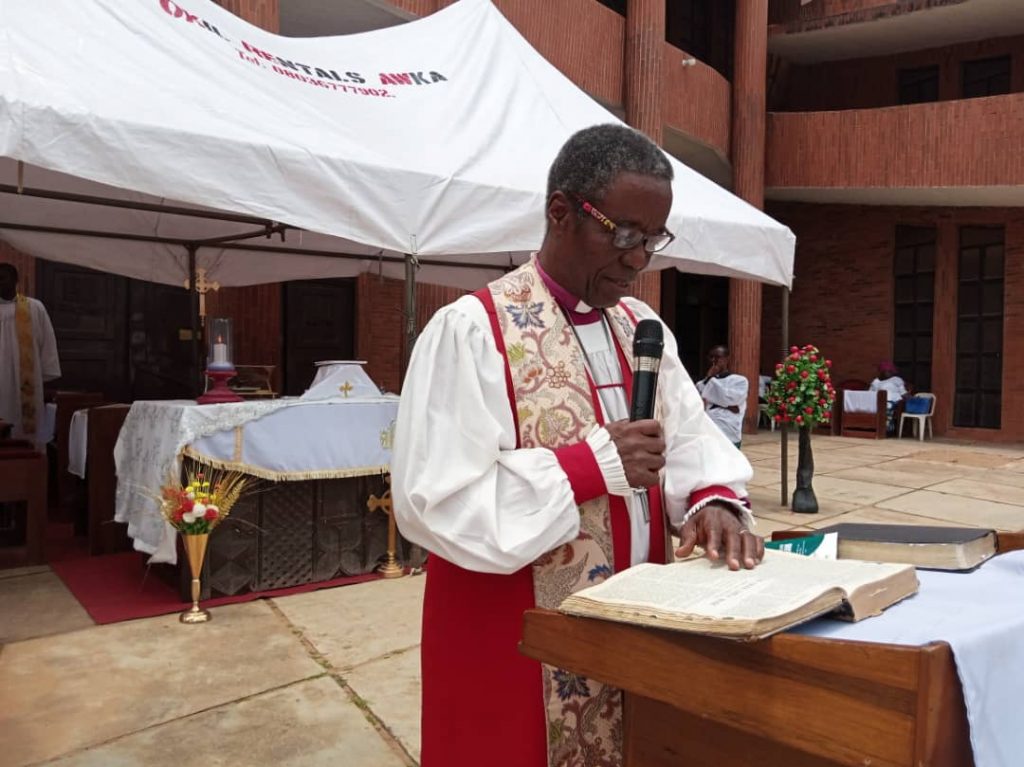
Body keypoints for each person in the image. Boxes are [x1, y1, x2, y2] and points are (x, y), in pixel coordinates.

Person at [391, 124, 764, 767]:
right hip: (510, 641)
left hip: (634, 624)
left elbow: (690, 436)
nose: (638, 259)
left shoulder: (642, 327)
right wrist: (588, 467)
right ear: (560, 212)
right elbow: (434, 501)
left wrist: (714, 500)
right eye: (623, 234)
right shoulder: (472, 330)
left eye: (652, 239)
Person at [0, 262, 61, 451]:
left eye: (3, 278)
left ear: (16, 281)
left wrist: (43, 374)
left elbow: (47, 342)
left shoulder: (34, 307)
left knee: (25, 434)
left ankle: (28, 470)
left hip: (26, 383)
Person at [695, 345, 748, 448]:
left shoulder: (740, 381)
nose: (714, 360)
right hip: (709, 430)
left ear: (727, 359)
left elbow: (732, 400)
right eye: (711, 357)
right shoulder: (701, 384)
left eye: (718, 357)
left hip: (730, 431)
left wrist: (714, 398)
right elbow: (698, 403)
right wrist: (727, 405)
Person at [869, 360, 907, 434]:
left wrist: (910, 398)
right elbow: (870, 393)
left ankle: (886, 429)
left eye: (891, 371)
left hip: (893, 402)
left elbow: (903, 392)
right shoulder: (876, 382)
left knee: (887, 406)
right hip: (878, 401)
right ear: (882, 372)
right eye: (887, 371)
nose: (889, 373)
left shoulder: (896, 380)